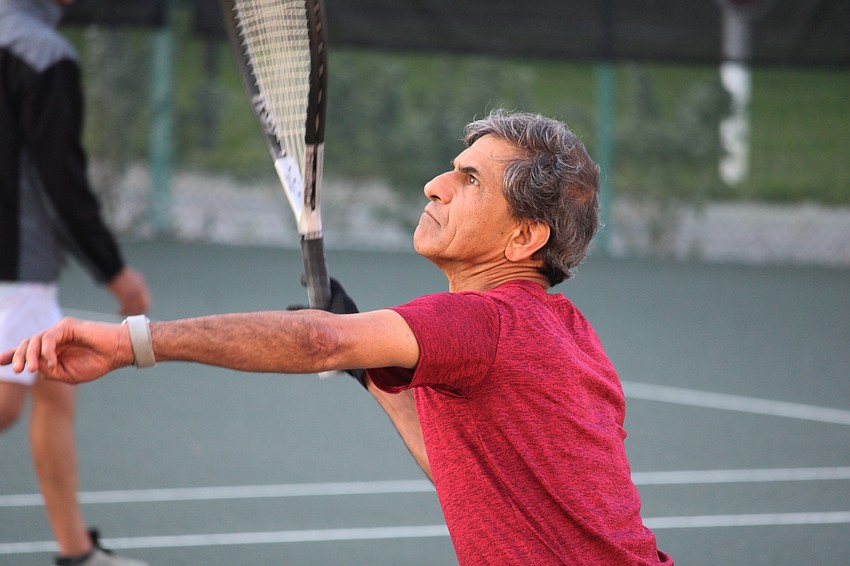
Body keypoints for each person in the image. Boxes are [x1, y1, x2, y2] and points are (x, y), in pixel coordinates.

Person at [2, 109, 673, 565]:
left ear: (524, 238)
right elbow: (470, 475)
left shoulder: (484, 321)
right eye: (452, 167)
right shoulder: (567, 333)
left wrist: (130, 343)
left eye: (469, 180)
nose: (434, 185)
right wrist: (371, 372)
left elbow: (321, 341)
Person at [0, 1, 151, 565]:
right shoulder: (43, 54)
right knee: (9, 403)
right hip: (15, 264)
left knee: (53, 392)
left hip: (18, 264)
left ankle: (75, 553)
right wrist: (115, 272)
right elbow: (61, 180)